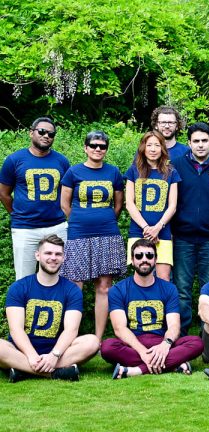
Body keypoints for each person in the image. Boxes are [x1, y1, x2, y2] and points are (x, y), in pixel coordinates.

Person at [0, 235, 99, 382]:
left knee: (92, 342)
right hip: (22, 350)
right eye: (48, 253)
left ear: (63, 258)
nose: (53, 258)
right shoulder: (19, 287)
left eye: (58, 254)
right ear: (38, 255)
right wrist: (31, 355)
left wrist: (54, 355)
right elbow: (16, 330)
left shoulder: (71, 290)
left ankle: (23, 370)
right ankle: (57, 373)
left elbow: (71, 330)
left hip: (58, 351)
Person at [102, 239, 203, 379]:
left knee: (196, 343)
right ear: (132, 260)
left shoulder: (169, 288)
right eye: (139, 256)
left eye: (149, 255)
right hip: (133, 344)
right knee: (107, 347)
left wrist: (165, 345)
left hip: (161, 342)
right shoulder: (118, 289)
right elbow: (119, 328)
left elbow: (174, 325)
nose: (144, 259)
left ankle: (135, 370)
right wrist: (142, 351)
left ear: (155, 259)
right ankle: (174, 364)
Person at [59, 131, 126, 339]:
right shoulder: (73, 172)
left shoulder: (113, 172)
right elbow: (64, 204)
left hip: (107, 234)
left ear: (106, 149)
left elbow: (118, 205)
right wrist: (79, 220)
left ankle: (97, 338)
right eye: (94, 145)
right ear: (85, 147)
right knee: (75, 286)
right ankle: (70, 336)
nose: (98, 149)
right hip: (78, 234)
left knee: (104, 287)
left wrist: (104, 219)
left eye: (102, 146)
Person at [171, 122, 209, 334]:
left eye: (204, 140)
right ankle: (181, 335)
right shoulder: (176, 165)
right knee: (182, 290)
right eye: (196, 141)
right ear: (189, 143)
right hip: (182, 237)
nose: (201, 145)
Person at [0, 116, 70, 280]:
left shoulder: (61, 161)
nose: (46, 136)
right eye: (42, 131)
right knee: (24, 278)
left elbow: (68, 193)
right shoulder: (14, 160)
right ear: (31, 133)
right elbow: (3, 193)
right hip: (25, 229)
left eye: (51, 134)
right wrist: (16, 213)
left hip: (57, 226)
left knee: (61, 277)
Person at [124, 131, 180, 281]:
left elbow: (172, 205)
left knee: (164, 277)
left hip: (163, 232)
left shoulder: (171, 172)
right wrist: (146, 228)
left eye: (157, 145)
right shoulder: (133, 170)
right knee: (140, 276)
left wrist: (157, 228)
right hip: (138, 231)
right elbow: (129, 203)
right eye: (149, 145)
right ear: (143, 147)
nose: (153, 149)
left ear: (162, 148)